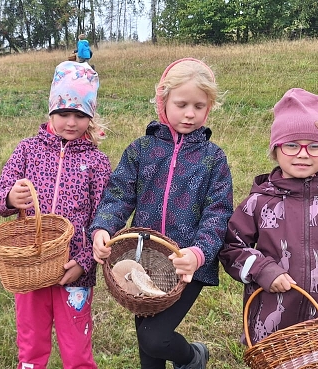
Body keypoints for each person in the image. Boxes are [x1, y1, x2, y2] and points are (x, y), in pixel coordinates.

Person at [219, 88, 318, 361]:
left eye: (314, 145)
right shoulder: (258, 203)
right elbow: (230, 247)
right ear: (275, 149)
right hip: (271, 333)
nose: (303, 154)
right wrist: (262, 269)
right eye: (292, 145)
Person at [90, 58, 234, 369]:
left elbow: (218, 213)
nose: (190, 113)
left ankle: (193, 357)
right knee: (148, 349)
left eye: (199, 105)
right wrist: (103, 227)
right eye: (181, 104)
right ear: (163, 100)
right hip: (143, 259)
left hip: (187, 265)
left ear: (209, 107)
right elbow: (118, 195)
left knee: (154, 338)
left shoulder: (213, 159)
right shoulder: (142, 150)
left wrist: (198, 253)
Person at [0, 61, 110, 369]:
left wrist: (84, 263)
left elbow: (104, 216)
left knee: (76, 349)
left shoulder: (97, 161)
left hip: (73, 270)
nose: (71, 122)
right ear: (51, 111)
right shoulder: (27, 150)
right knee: (31, 345)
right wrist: (10, 198)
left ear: (90, 117)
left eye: (80, 115)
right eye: (63, 113)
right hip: (29, 266)